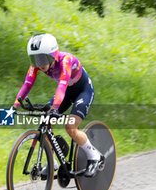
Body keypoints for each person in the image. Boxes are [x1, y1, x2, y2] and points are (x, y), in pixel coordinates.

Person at [12, 33, 101, 177]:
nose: (38, 64)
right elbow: (27, 85)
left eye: (41, 58)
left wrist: (54, 109)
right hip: (65, 92)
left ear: (53, 54)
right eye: (34, 59)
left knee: (71, 128)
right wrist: (14, 107)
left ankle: (94, 156)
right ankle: (53, 161)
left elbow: (62, 85)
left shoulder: (66, 61)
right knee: (45, 120)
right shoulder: (36, 66)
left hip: (82, 91)